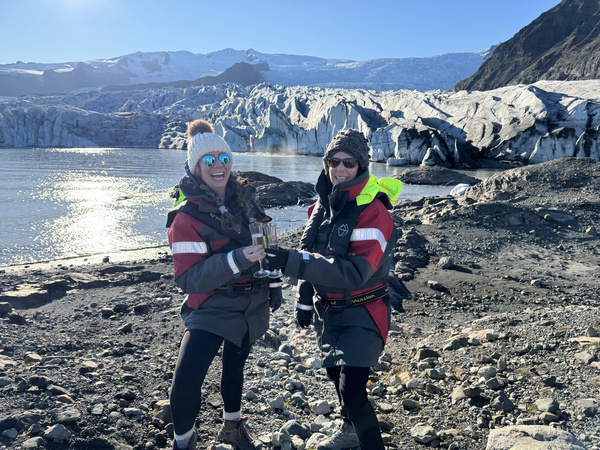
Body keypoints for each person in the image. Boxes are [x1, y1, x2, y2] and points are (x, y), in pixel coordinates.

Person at [267, 129, 402, 450]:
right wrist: (302, 300)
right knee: (334, 376)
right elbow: (315, 256)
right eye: (333, 161)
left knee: (354, 391)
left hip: (364, 311)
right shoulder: (319, 208)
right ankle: (349, 431)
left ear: (361, 166)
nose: (339, 169)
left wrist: (290, 260)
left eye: (349, 162)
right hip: (326, 312)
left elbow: (356, 272)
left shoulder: (374, 212)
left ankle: (369, 442)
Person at [166, 119, 281, 450]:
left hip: (252, 303)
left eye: (224, 159)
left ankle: (232, 428)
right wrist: (239, 258)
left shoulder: (246, 200)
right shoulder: (186, 217)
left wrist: (274, 284)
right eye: (209, 160)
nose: (218, 167)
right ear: (196, 165)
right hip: (213, 306)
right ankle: (183, 442)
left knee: (235, 366)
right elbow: (188, 278)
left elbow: (266, 247)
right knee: (187, 377)